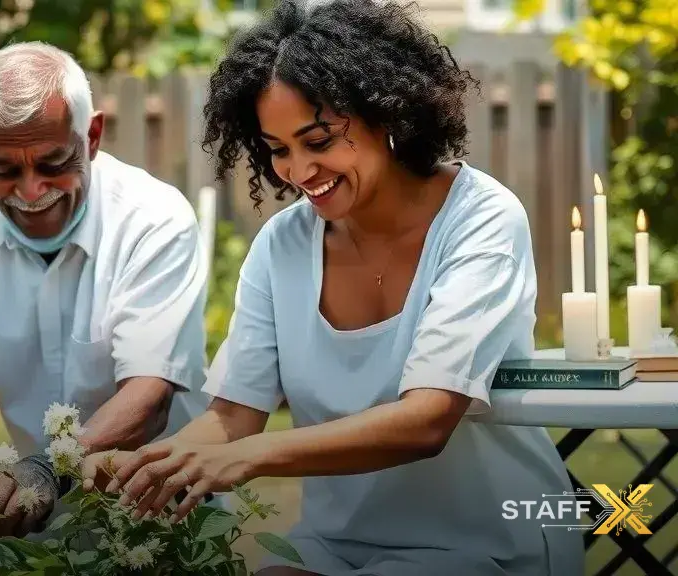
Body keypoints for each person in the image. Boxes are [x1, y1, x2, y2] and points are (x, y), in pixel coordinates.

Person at [81, 1, 585, 575]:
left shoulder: (481, 219)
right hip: (338, 545)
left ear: (385, 114)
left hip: (487, 544)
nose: (298, 171)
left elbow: (426, 420)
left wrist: (247, 459)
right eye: (278, 150)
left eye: (318, 141)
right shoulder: (281, 246)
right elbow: (233, 418)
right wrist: (153, 464)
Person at [0, 41, 212, 541]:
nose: (32, 191)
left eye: (53, 162)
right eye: (4, 170)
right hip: (36, 531)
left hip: (163, 524)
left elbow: (149, 401)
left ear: (93, 137)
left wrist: (46, 467)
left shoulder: (154, 220)